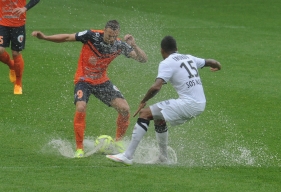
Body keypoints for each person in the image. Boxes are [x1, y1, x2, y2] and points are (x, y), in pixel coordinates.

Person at [31, 20, 148, 158]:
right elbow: (67, 37)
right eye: (109, 35)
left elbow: (143, 59)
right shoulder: (91, 35)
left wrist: (133, 44)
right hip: (83, 80)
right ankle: (79, 149)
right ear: (104, 31)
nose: (111, 39)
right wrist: (45, 37)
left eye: (114, 36)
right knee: (81, 107)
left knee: (125, 109)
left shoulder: (119, 45)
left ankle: (118, 142)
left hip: (101, 81)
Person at [106, 35, 221, 165]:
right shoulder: (188, 57)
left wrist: (143, 100)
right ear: (176, 48)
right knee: (158, 117)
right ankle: (163, 158)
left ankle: (127, 156)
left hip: (189, 103)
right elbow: (210, 62)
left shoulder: (167, 63)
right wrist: (218, 65)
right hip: (200, 103)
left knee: (144, 113)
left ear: (162, 50)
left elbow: (156, 86)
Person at [0, 0, 40, 94]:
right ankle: (11, 65)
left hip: (18, 25)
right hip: (2, 24)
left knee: (15, 52)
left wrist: (25, 8)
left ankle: (18, 83)